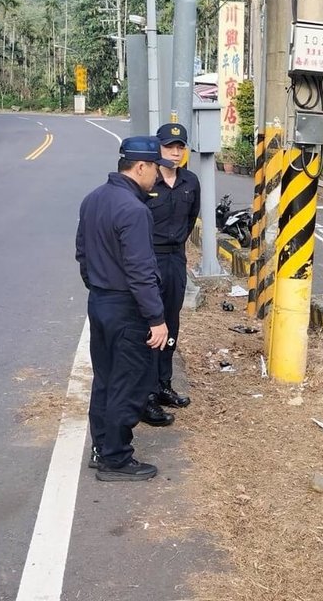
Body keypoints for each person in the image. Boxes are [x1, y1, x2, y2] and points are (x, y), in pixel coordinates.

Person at [75, 135, 172, 482]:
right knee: (129, 382)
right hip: (126, 307)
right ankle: (115, 458)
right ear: (141, 166)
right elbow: (141, 271)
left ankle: (102, 447)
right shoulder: (134, 210)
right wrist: (157, 319)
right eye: (156, 169)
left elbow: (83, 255)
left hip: (99, 301)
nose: (158, 177)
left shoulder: (93, 199)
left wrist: (98, 287)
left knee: (104, 379)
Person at [141, 122, 200, 424]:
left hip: (176, 260)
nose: (175, 152)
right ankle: (147, 395)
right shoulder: (148, 182)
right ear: (158, 148)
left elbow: (191, 221)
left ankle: (164, 384)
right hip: (150, 260)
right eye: (169, 147)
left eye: (180, 147)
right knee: (152, 327)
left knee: (171, 325)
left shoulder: (190, 181)